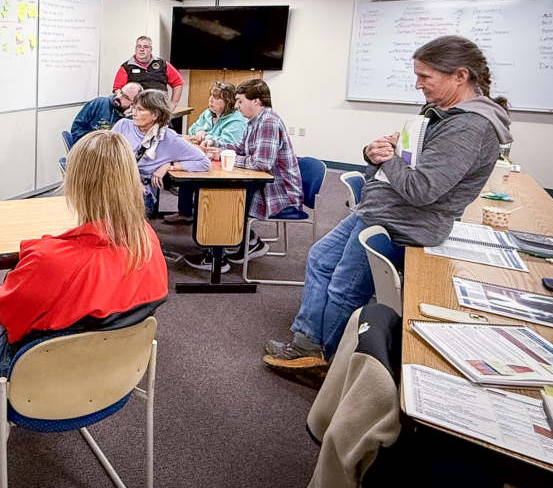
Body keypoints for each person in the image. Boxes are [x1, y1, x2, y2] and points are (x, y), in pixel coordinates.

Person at [264, 36, 512, 372]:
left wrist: (389, 159)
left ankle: (327, 362)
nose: (418, 84)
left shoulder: (468, 126)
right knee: (321, 259)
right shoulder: (444, 114)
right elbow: (410, 166)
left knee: (345, 289)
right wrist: (377, 154)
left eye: (426, 77)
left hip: (401, 221)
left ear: (460, 75)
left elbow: (422, 189)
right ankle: (306, 340)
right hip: (381, 210)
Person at [0, 130, 169, 421]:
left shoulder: (51, 260)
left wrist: (30, 264)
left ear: (74, 183)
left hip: (38, 384)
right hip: (116, 375)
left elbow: (11, 316)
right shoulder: (147, 241)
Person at [203, 78, 302, 264]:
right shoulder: (255, 121)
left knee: (225, 197)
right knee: (223, 194)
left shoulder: (268, 122)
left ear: (256, 101)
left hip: (279, 191)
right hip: (264, 182)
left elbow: (261, 164)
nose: (237, 105)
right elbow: (240, 148)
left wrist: (225, 157)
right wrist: (217, 146)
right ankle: (246, 241)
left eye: (240, 101)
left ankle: (224, 251)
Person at [112, 89, 210, 215]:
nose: (133, 113)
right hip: (115, 182)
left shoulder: (169, 138)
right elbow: (106, 154)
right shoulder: (123, 125)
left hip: (140, 191)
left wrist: (170, 165)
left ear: (155, 114)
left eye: (140, 109)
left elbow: (204, 162)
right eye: (133, 108)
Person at [164, 81, 249, 224]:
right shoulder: (208, 113)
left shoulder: (237, 119)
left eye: (216, 98)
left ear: (227, 101)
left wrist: (207, 137)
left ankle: (207, 220)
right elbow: (193, 128)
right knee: (187, 170)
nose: (210, 100)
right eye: (211, 96)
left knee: (194, 172)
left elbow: (229, 141)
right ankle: (185, 213)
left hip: (225, 162)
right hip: (206, 156)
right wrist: (198, 132)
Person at [112, 36, 184, 107]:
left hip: (160, 107)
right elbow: (117, 89)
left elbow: (178, 82)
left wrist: (173, 103)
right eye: (139, 46)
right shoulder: (126, 67)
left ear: (151, 49)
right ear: (135, 49)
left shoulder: (163, 64)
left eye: (145, 47)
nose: (142, 49)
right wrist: (127, 101)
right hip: (138, 108)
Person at [70, 82, 143, 143]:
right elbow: (77, 128)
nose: (119, 97)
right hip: (90, 149)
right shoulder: (98, 103)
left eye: (125, 97)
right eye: (120, 92)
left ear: (133, 103)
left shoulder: (133, 118)